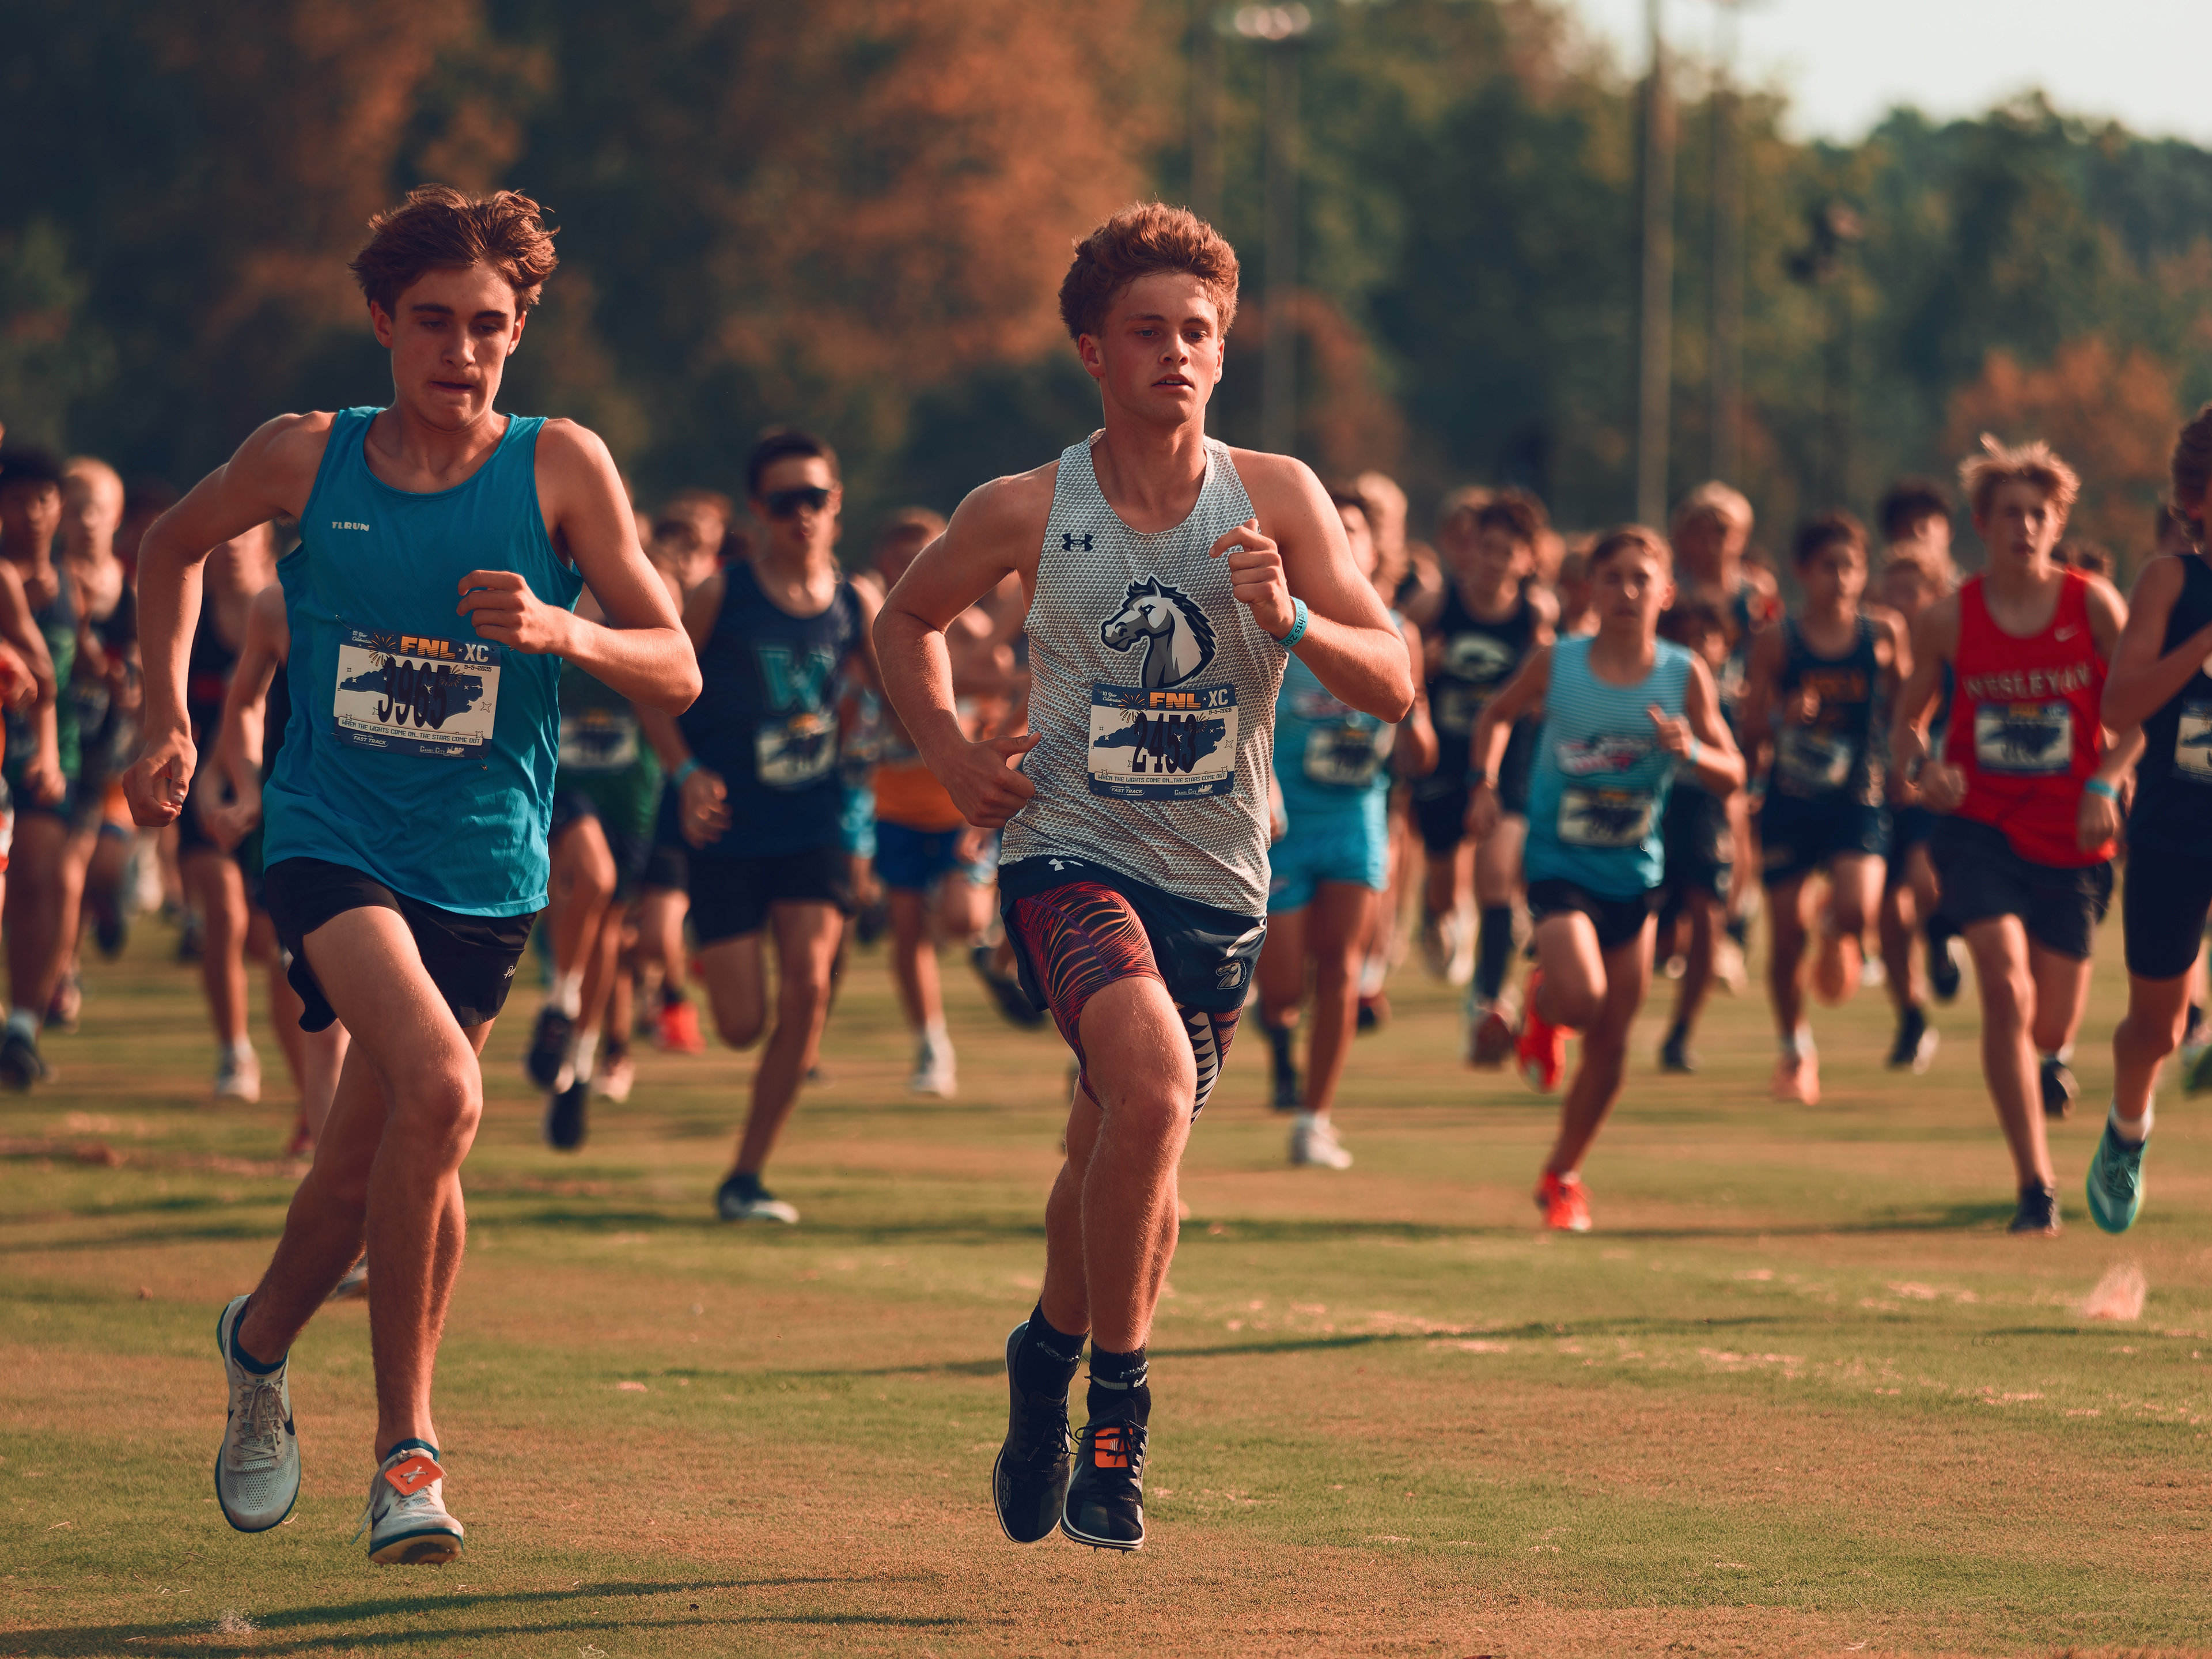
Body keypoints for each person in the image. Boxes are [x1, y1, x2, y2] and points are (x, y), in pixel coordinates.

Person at [124, 184, 698, 1565]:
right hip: (330, 836)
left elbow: (675, 662)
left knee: (360, 1172)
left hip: (484, 863)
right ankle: (407, 1457)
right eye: (433, 321)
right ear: (383, 321)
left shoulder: (561, 469)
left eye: (489, 325)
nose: (462, 350)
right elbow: (169, 547)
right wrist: (164, 718)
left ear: (520, 331)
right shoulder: (306, 455)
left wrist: (563, 631)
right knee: (443, 1090)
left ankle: (257, 1342)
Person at [875, 203, 1412, 1551]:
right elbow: (905, 619)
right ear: (1092, 352)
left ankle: (1044, 1356)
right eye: (1147, 331)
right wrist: (948, 752)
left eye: (1198, 332)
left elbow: (1395, 680)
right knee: (1155, 1089)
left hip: (1219, 886)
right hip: (1066, 857)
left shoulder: (1279, 498)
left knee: (1119, 1145)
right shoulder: (1024, 507)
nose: (1176, 352)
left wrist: (1291, 615)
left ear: (1222, 353)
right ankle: (1118, 1411)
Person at [1467, 527, 1743, 1233]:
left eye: (1641, 578)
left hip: (1636, 877)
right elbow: (1497, 715)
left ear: (1666, 592)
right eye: (1612, 577)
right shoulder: (1558, 663)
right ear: (1590, 588)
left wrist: (1693, 750)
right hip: (1560, 868)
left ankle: (1563, 1175)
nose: (1626, 591)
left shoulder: (1684, 674)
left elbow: (1734, 772)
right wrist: (1486, 782)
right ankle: (1546, 998)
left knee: (1613, 1043)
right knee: (1585, 1000)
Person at [1891, 437, 2131, 1237]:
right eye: (2010, 514)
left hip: (2074, 831)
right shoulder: (1947, 619)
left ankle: (2047, 1063)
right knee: (2003, 983)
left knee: (2050, 1025)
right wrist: (1924, 771)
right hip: (1980, 825)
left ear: (2058, 524)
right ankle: (2036, 1185)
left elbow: (2143, 713)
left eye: (2039, 515)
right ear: (1981, 524)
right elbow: (1906, 726)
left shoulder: (2094, 606)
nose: (2025, 527)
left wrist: (2106, 781)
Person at [637, 427, 876, 1225]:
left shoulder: (855, 601)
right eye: (784, 502)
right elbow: (655, 688)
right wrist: (684, 772)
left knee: (809, 988)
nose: (801, 515)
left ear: (837, 504)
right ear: (758, 510)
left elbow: (903, 681)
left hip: (816, 820)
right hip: (729, 825)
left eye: (815, 499)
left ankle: (747, 1174)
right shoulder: (721, 595)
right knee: (742, 1025)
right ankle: (692, 987)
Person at [1256, 486, 1435, 1165]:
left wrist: (1414, 728)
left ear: (1375, 548)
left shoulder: (1398, 631)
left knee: (1342, 971)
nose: (1345, 538)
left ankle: (1315, 1120)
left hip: (1357, 816)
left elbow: (1415, 734)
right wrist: (1265, 785)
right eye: (1333, 526)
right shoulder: (1278, 620)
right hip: (1285, 822)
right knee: (1281, 987)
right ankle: (1277, 1037)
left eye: (1355, 528)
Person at [2086, 406, 2212, 1232]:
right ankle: (2127, 1131)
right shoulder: (2170, 582)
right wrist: (2203, 644)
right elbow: (2118, 707)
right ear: (2197, 496)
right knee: (2156, 1031)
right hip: (2176, 829)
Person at [1738, 512, 1910, 1103]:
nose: (1840, 579)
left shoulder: (1883, 633)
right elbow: (1750, 725)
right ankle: (1795, 1051)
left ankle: (1836, 923)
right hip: (1791, 798)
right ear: (1802, 572)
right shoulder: (1778, 641)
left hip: (1858, 793)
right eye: (1828, 567)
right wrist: (1784, 716)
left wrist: (1909, 765)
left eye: (1851, 567)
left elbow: (1910, 706)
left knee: (1860, 910)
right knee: (1786, 936)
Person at [200, 582, 353, 1161]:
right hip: (311, 835)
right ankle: (339, 1188)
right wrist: (247, 787)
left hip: (415, 843)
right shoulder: (283, 603)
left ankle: (366, 1177)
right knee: (327, 1028)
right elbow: (243, 702)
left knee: (415, 1057)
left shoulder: (437, 585)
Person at [1406, 490, 1555, 1044]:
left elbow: (1545, 681)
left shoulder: (1537, 616)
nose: (1494, 561)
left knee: (1497, 876)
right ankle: (1435, 913)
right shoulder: (1437, 605)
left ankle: (1490, 1000)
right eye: (1486, 548)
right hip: (1444, 756)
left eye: (1507, 552)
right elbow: (1395, 647)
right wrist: (1420, 668)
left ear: (1529, 559)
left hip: (1508, 761)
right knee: (1446, 884)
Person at [533, 592, 664, 1149]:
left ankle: (579, 1066)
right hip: (565, 787)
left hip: (630, 799)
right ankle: (560, 1002)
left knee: (608, 934)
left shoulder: (646, 598)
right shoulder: (547, 587)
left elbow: (675, 688)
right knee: (594, 878)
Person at [179, 525, 280, 1101]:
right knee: (224, 913)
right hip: (203, 790)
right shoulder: (188, 619)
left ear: (267, 541)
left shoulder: (293, 608)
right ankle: (234, 1052)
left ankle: (314, 1090)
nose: (233, 545)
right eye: (225, 534)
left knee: (274, 943)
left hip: (279, 792)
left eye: (247, 534)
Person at [1874, 481, 1965, 1017]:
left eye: (1913, 593)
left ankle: (1939, 936)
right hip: (1874, 784)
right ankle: (1910, 1014)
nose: (1902, 602)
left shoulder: (1962, 628)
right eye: (1895, 592)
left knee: (1923, 879)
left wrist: (1919, 768)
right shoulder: (1869, 634)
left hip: (1933, 779)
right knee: (1885, 906)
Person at [1650, 597, 1737, 1071]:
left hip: (1705, 814)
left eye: (1705, 638)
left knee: (1707, 918)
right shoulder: (1643, 689)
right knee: (1648, 927)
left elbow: (1740, 771)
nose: (1695, 649)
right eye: (1682, 638)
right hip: (1651, 811)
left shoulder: (1730, 701)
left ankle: (1681, 1033)